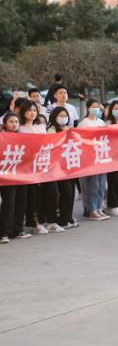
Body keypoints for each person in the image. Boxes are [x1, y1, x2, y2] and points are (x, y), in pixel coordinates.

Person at [19, 99, 61, 234]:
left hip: (45, 166)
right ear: (23, 112)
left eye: (34, 110)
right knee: (34, 196)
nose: (32, 113)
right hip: (29, 168)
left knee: (52, 193)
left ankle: (51, 221)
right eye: (29, 110)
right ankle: (36, 223)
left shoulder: (41, 127)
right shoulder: (20, 128)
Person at [0, 113, 32, 243]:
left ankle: (18, 230)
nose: (14, 124)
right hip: (6, 176)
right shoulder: (1, 137)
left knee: (21, 202)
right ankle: (3, 233)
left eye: (16, 122)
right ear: (5, 123)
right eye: (11, 122)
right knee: (9, 203)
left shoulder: (22, 137)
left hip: (21, 175)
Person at [47, 107, 79, 228]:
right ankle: (63, 219)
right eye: (60, 115)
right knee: (65, 192)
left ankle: (68, 217)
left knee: (70, 193)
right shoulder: (51, 130)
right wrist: (63, 134)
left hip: (69, 164)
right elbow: (54, 145)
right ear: (54, 117)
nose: (63, 118)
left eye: (65, 116)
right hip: (57, 167)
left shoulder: (69, 129)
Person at [78, 99, 110, 221]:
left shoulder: (101, 122)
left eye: (98, 107)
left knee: (101, 185)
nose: (96, 109)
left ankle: (99, 207)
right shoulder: (83, 123)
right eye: (94, 107)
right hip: (90, 158)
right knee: (92, 185)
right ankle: (91, 209)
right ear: (88, 108)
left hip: (101, 156)